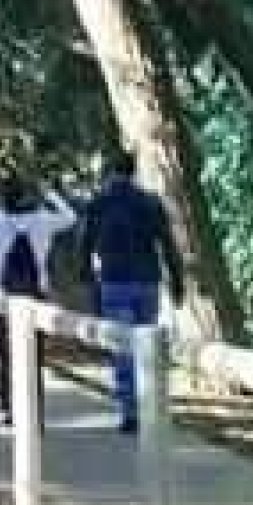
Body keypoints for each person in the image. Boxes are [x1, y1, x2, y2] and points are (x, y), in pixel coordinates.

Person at [0, 177, 79, 424]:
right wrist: (51, 193)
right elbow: (71, 217)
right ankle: (35, 410)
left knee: (6, 354)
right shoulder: (43, 221)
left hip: (2, 298)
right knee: (34, 357)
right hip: (34, 298)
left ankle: (10, 406)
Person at [77, 147, 185, 433]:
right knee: (146, 344)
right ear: (133, 171)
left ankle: (130, 411)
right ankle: (150, 402)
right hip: (148, 280)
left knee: (123, 347)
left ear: (110, 172)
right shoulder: (150, 202)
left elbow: (85, 242)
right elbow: (167, 243)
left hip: (114, 281)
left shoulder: (99, 202)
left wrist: (85, 276)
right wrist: (177, 280)